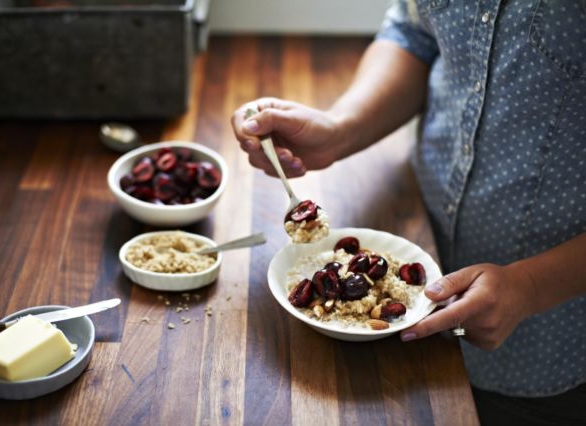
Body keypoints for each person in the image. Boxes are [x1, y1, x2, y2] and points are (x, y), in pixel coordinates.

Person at [230, 1, 586, 424]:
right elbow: (416, 34)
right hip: (415, 217)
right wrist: (341, 128)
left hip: (545, 346)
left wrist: (529, 286)